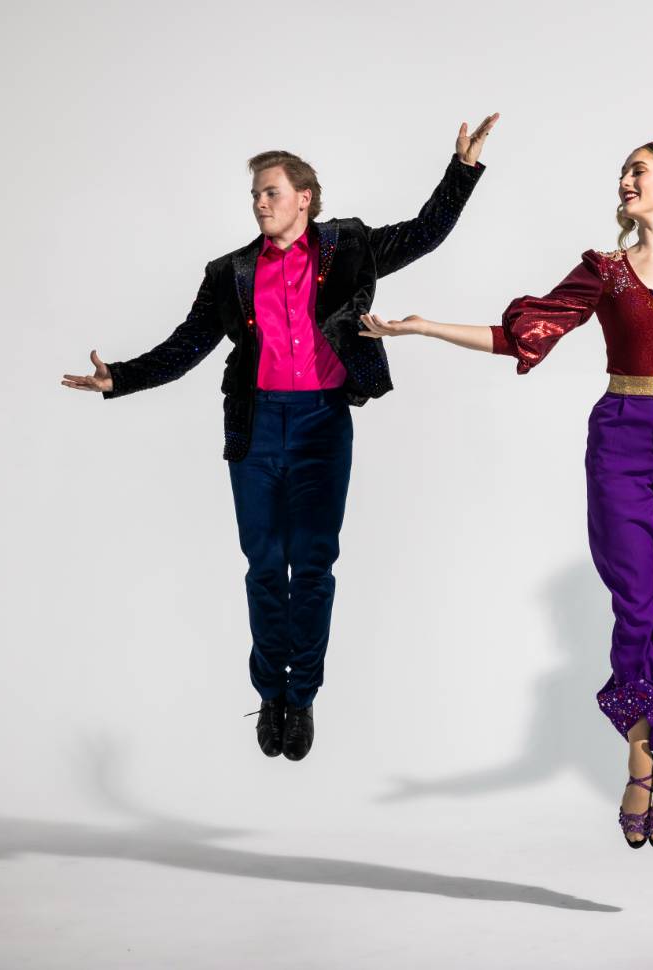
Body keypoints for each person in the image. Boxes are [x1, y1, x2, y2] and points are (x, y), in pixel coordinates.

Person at [358, 46, 653, 847]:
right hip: (619, 438)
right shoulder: (603, 271)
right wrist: (424, 328)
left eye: (638, 170)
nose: (625, 181)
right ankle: (637, 755)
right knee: (635, 605)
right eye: (622, 172)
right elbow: (522, 335)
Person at [61, 116, 497, 761]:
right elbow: (187, 347)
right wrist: (119, 378)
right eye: (255, 195)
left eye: (271, 192)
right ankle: (271, 694)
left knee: (313, 565)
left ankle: (304, 694)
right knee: (265, 565)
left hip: (323, 422)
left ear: (304, 198)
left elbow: (426, 232)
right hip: (257, 425)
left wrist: (461, 169)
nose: (261, 203)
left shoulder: (349, 245)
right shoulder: (229, 272)